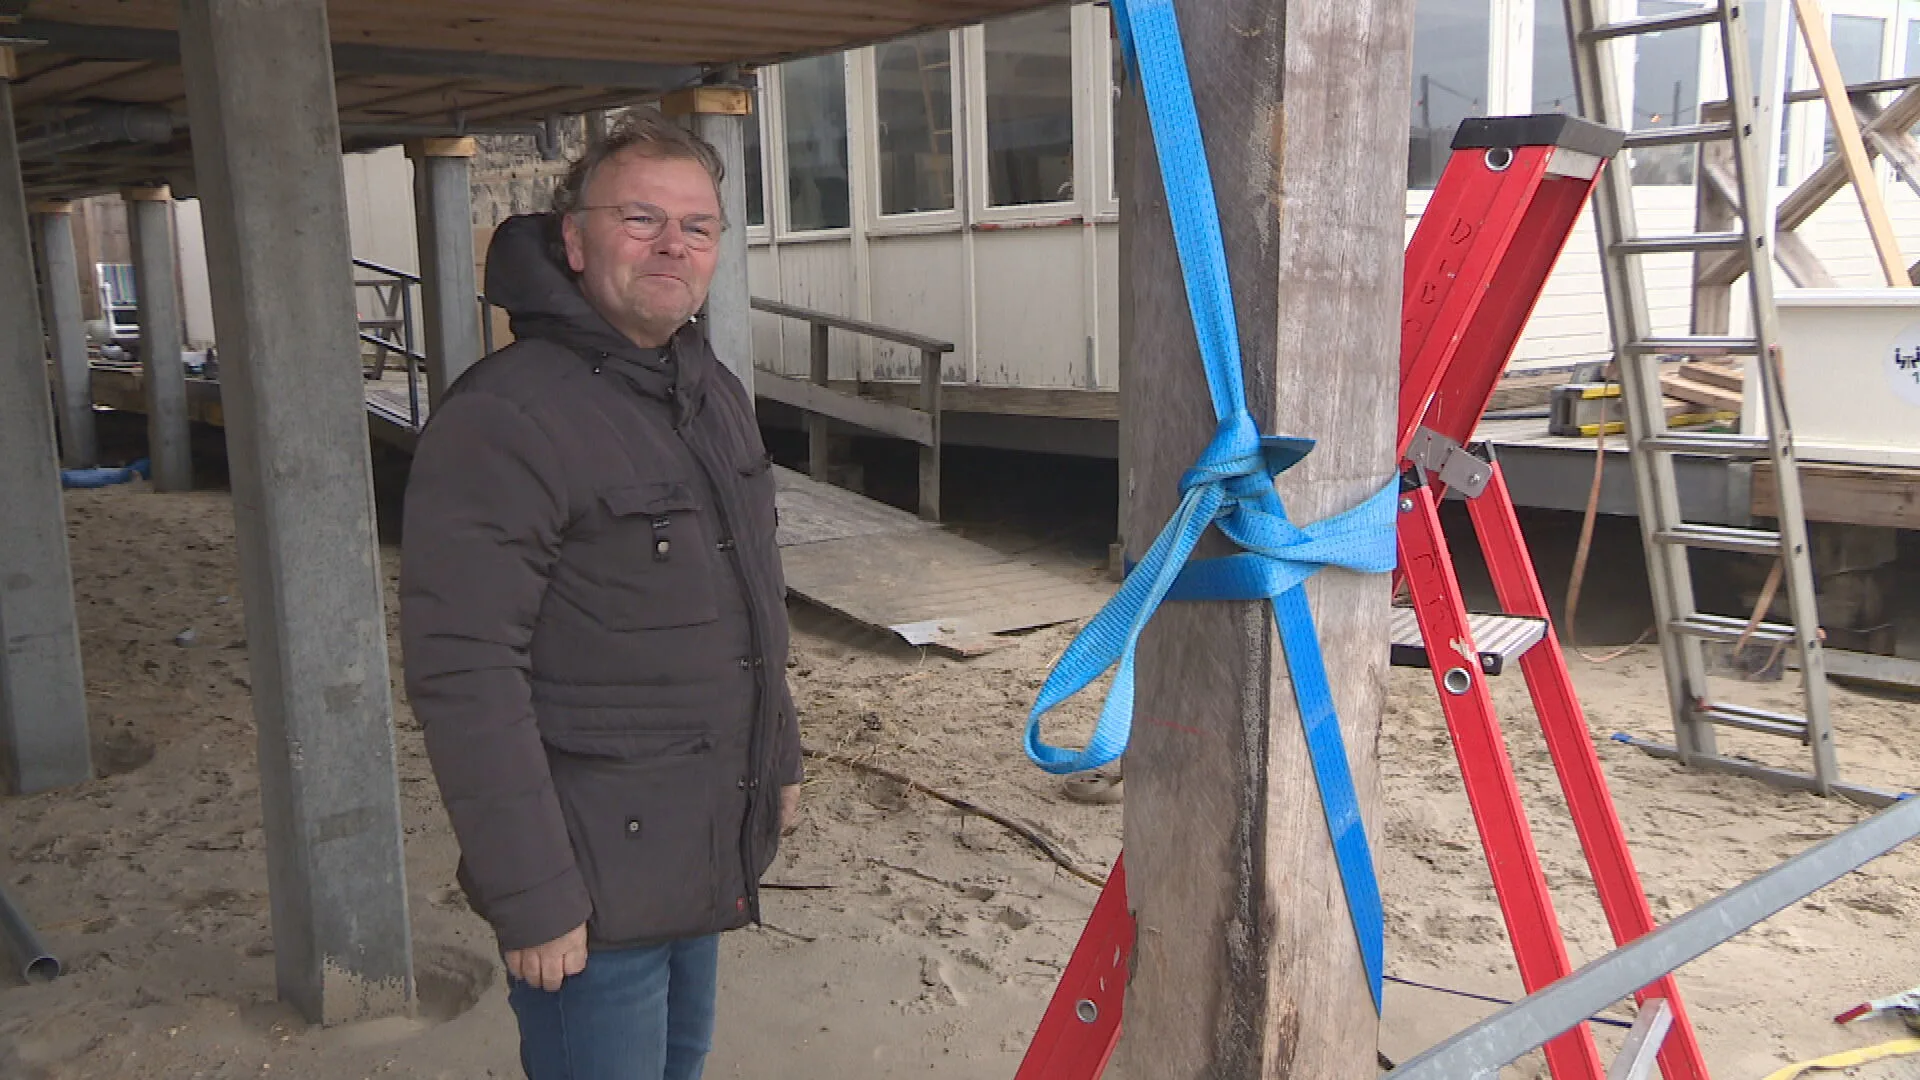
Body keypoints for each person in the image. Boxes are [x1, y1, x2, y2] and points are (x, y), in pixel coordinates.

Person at [399, 110, 802, 1080]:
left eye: (697, 227)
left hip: (701, 844)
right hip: (587, 878)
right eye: (641, 219)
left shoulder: (714, 394)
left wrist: (777, 757)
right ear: (575, 241)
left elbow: (755, 603)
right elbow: (465, 672)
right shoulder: (508, 415)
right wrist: (533, 896)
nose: (674, 245)